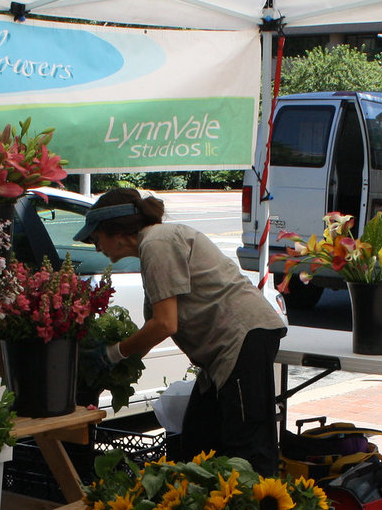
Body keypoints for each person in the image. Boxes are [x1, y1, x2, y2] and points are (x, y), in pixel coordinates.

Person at [74, 188, 287, 474]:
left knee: (248, 447)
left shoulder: (157, 243)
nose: (97, 247)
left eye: (96, 239)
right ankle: (207, 509)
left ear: (116, 232)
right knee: (199, 438)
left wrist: (113, 353)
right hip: (226, 349)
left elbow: (165, 324)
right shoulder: (153, 246)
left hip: (242, 337)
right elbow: (158, 325)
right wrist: (118, 366)